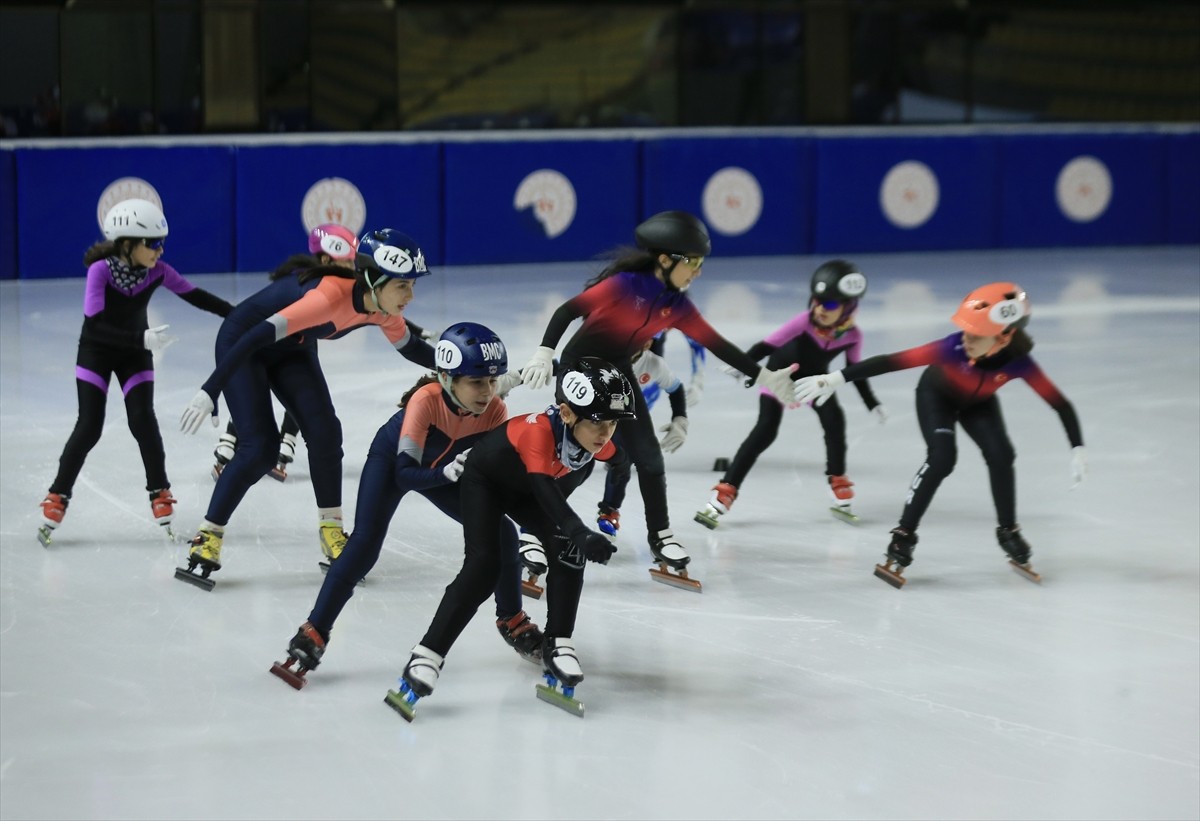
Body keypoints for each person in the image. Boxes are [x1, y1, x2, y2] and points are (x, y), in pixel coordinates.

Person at [519, 210, 798, 586]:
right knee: (576, 458)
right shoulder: (623, 285)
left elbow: (716, 343)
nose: (698, 272)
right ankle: (533, 529)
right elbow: (568, 310)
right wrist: (544, 353)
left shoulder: (677, 305)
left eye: (701, 264)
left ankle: (661, 536)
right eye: (693, 263)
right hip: (580, 366)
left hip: (619, 371)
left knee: (648, 457)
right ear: (665, 260)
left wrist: (765, 376)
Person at [269, 322, 535, 689]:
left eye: (492, 381)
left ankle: (512, 619)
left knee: (502, 531)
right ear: (447, 378)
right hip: (395, 464)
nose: (487, 391)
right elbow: (405, 475)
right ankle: (314, 630)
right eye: (477, 382)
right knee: (363, 547)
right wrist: (447, 473)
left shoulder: (494, 409)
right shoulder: (425, 401)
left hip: (445, 470)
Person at [175, 228, 437, 589]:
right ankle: (208, 535)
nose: (411, 295)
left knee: (326, 434)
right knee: (259, 449)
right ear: (374, 281)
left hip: (292, 347)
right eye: (403, 285)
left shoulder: (380, 308)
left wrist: (463, 366)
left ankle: (331, 532)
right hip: (245, 343)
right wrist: (211, 388)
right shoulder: (326, 297)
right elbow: (254, 336)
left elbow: (412, 348)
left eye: (412, 285)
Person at [795, 282, 1087, 587]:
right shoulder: (951, 348)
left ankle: (1008, 531)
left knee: (1002, 454)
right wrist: (834, 378)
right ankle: (904, 535)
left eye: (977, 334)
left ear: (1005, 336)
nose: (967, 339)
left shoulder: (1019, 361)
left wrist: (1077, 447)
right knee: (943, 457)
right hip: (936, 398)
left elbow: (1059, 404)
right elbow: (891, 362)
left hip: (979, 404)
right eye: (966, 330)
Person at [386, 358, 631, 721]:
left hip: (525, 490)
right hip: (486, 483)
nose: (605, 433)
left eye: (612, 423)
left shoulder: (598, 441)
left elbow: (622, 461)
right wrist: (580, 531)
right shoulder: (538, 432)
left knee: (567, 552)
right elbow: (544, 488)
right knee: (484, 566)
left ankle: (558, 643)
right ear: (566, 414)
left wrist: (609, 506)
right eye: (597, 422)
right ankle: (427, 655)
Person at [37, 198, 232, 546]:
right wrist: (141, 339)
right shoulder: (100, 271)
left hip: (135, 355)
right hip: (96, 351)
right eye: (153, 243)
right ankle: (58, 494)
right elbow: (95, 327)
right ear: (128, 243)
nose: (160, 250)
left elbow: (197, 296)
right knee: (89, 425)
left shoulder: (158, 271)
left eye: (162, 242)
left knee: (142, 420)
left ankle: (160, 491)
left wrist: (241, 315)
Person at [695, 260, 886, 528]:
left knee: (834, 420)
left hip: (812, 383)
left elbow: (855, 371)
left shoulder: (853, 336)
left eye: (830, 304)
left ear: (849, 307)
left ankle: (838, 480)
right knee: (765, 431)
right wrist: (743, 366)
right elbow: (766, 346)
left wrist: (872, 403)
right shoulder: (804, 322)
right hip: (779, 378)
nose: (820, 309)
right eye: (818, 301)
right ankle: (726, 490)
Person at [210, 223, 358, 483]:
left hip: (296, 339)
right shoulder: (305, 280)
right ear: (326, 259)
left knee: (303, 384)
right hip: (274, 338)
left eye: (352, 261)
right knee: (264, 385)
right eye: (346, 261)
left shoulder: (323, 279)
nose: (352, 268)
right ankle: (245, 436)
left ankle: (271, 438)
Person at [594, 336, 690, 538]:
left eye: (646, 339)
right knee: (577, 463)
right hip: (594, 413)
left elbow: (675, 388)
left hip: (626, 417)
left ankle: (609, 511)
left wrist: (680, 418)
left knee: (623, 460)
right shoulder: (604, 353)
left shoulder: (654, 363)